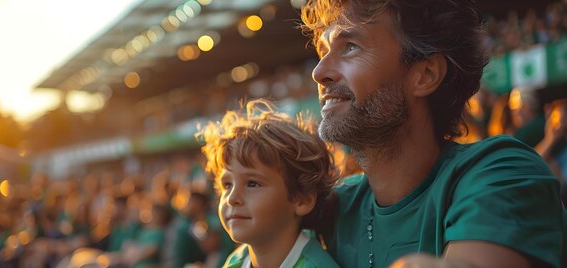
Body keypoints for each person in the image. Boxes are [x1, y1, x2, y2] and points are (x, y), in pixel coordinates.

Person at [300, 0, 567, 267]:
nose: (318, 72)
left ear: (425, 75)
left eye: (350, 47)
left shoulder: (504, 174)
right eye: (323, 51)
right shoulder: (333, 205)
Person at [198, 99, 339, 267]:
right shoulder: (236, 261)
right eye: (227, 185)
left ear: (303, 199)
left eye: (252, 183)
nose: (231, 198)